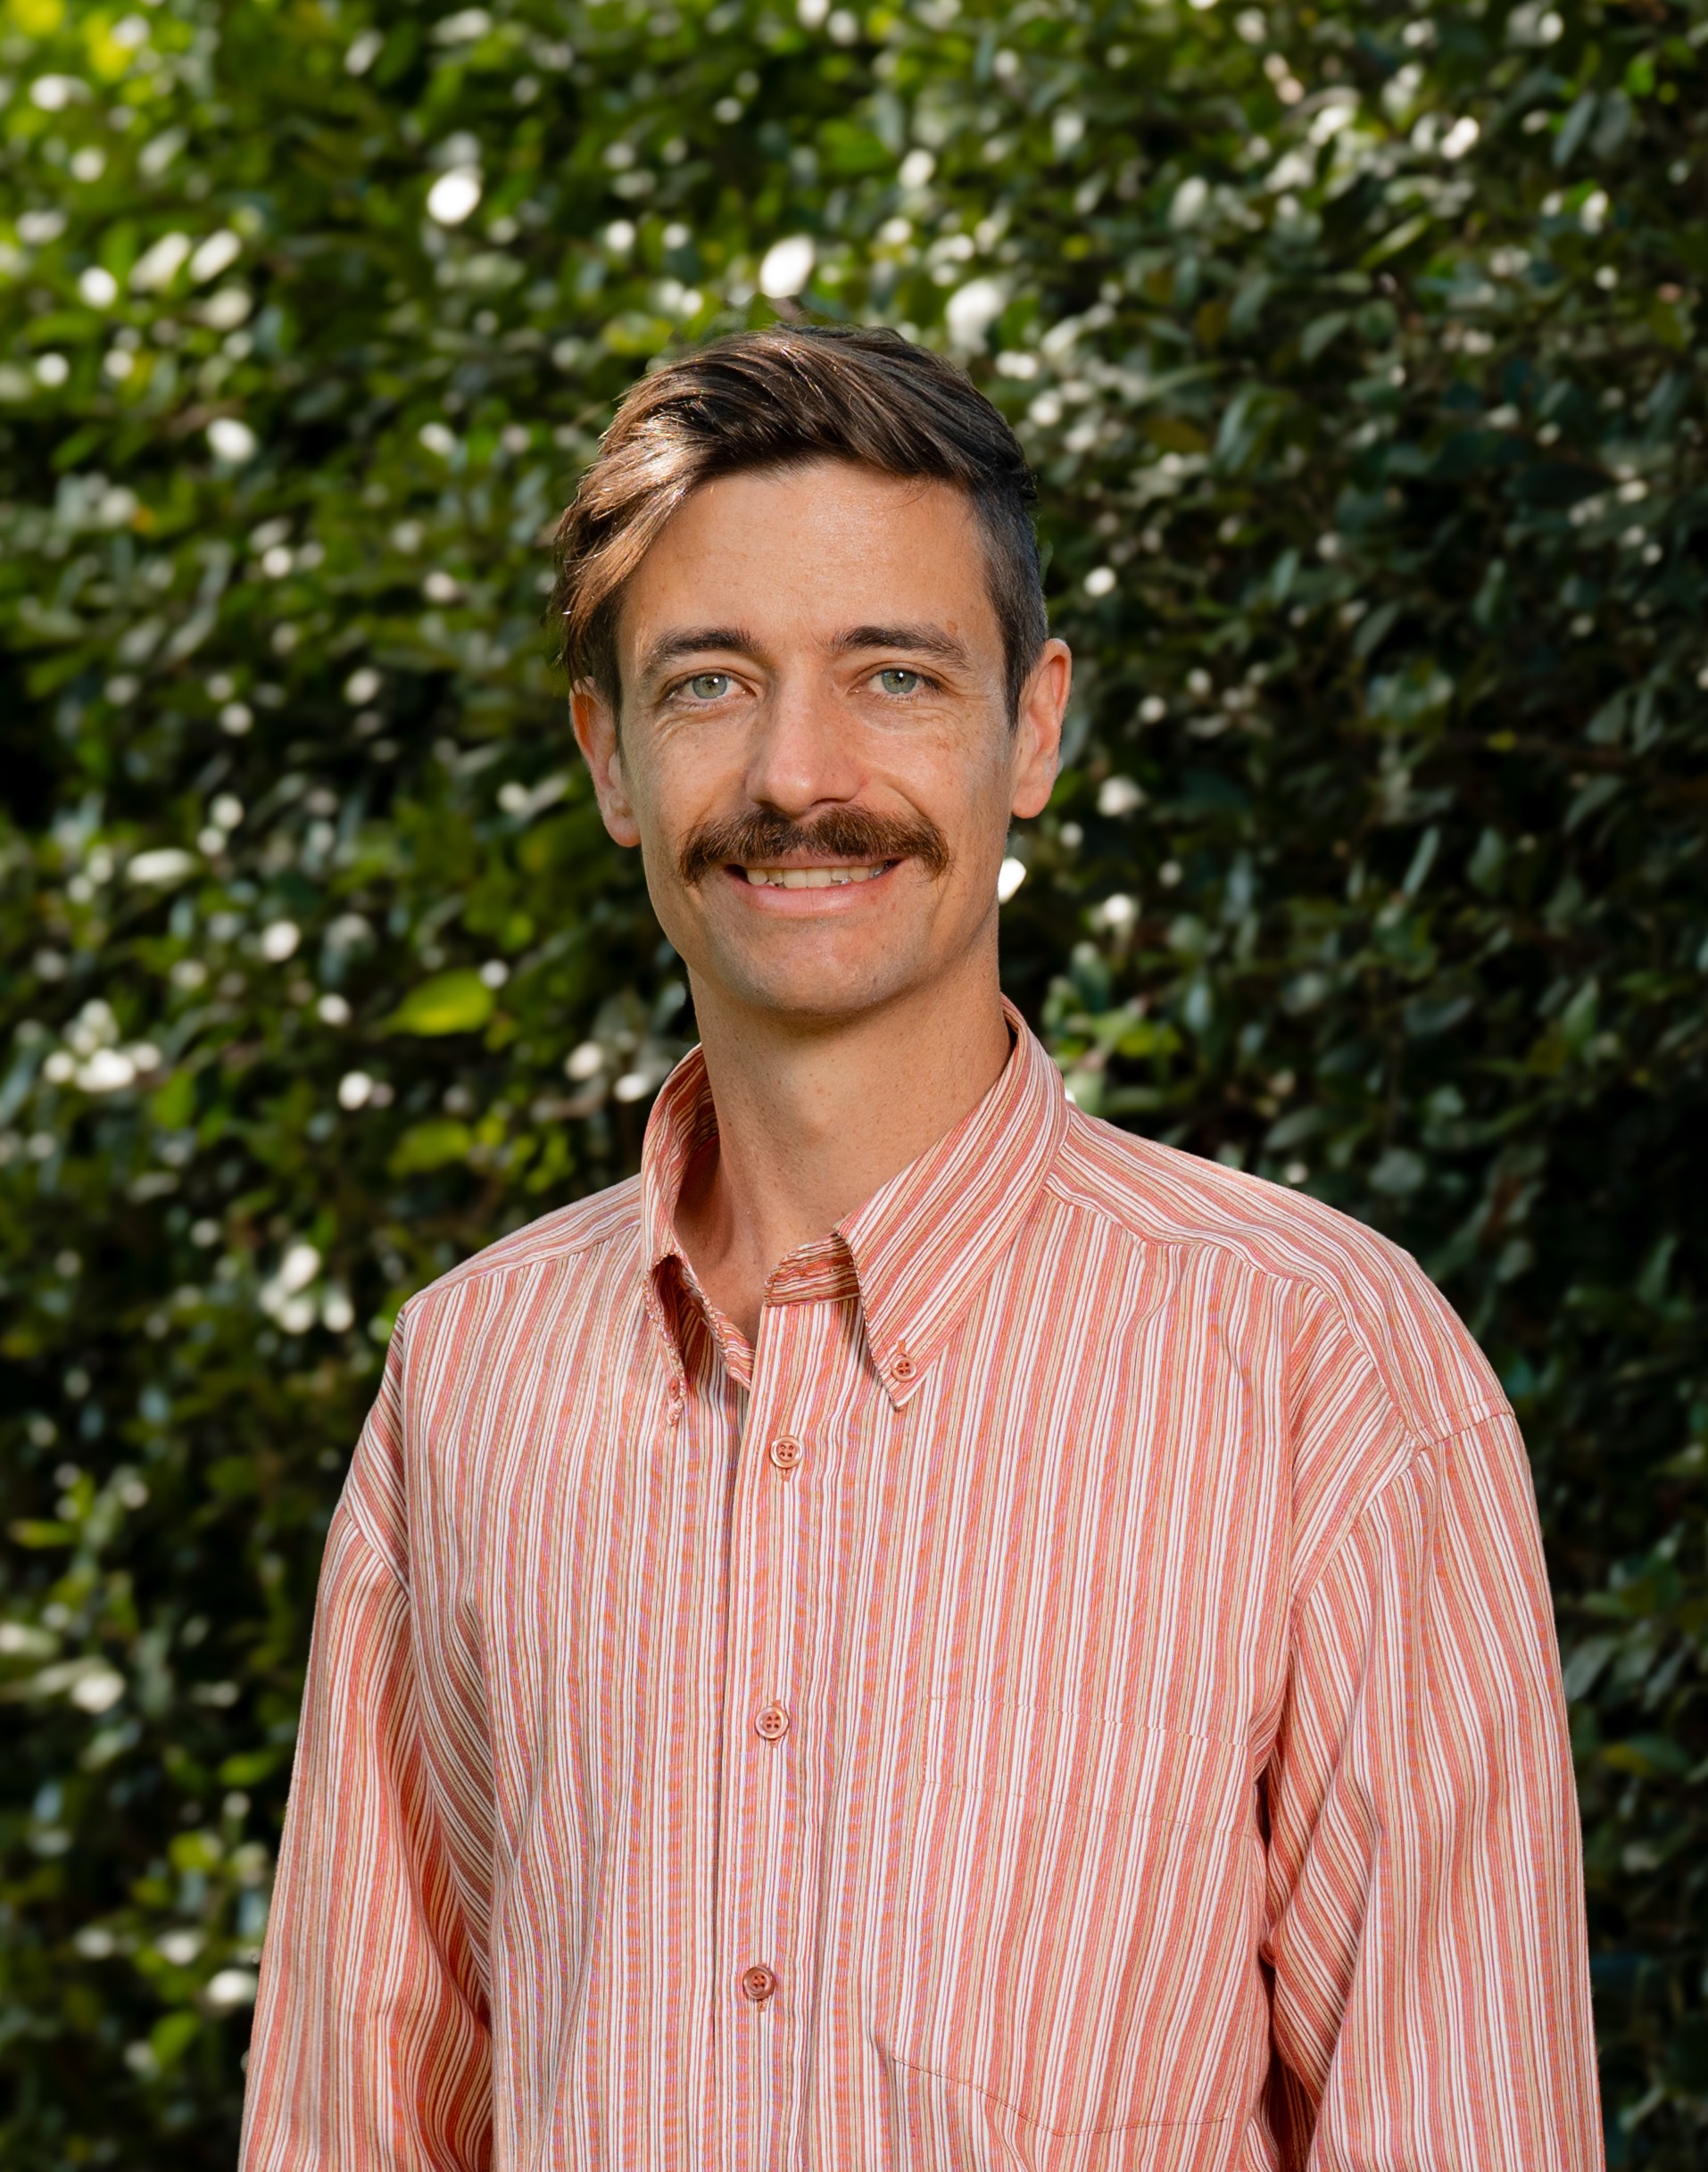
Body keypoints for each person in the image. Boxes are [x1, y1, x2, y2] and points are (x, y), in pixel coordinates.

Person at [239, 326, 1601, 2171]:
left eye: (893, 674)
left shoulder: (1321, 1365)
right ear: (610, 755)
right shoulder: (467, 1381)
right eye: (710, 681)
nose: (802, 772)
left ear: (1030, 729)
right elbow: (353, 2119)